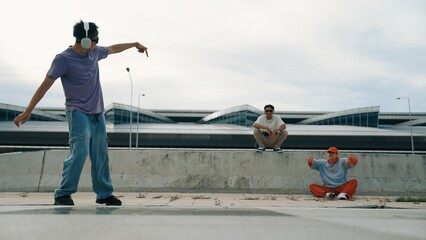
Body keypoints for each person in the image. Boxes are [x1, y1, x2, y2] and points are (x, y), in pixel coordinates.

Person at [13, 20, 148, 206]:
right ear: (85, 41)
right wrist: (28, 111)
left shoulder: (95, 52)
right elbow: (45, 85)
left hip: (97, 113)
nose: (97, 43)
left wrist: (134, 44)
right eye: (95, 40)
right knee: (80, 151)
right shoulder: (63, 59)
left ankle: (104, 194)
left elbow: (113, 48)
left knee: (101, 154)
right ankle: (63, 193)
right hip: (77, 112)